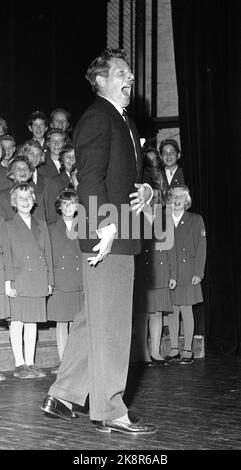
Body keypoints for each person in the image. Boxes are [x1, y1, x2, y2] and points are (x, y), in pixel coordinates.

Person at [41, 48, 156, 435]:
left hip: (119, 228)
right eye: (122, 71)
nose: (131, 78)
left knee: (96, 320)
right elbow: (89, 179)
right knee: (112, 325)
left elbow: (120, 178)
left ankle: (63, 394)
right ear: (101, 80)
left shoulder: (123, 120)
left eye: (130, 72)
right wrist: (105, 228)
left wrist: (147, 191)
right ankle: (110, 410)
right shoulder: (96, 117)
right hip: (110, 234)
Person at [4, 183, 53, 378]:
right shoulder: (7, 224)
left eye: (28, 198)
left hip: (38, 278)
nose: (25, 201)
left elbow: (47, 253)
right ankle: (19, 364)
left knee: (32, 322)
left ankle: (31, 363)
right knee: (17, 322)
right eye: (20, 198)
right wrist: (8, 281)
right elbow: (6, 254)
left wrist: (50, 280)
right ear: (14, 202)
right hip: (19, 278)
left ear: (34, 201)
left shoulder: (41, 224)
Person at [165, 185, 206, 364]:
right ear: (169, 199)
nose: (177, 199)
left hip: (189, 272)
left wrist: (198, 272)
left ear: (187, 200)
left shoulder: (196, 220)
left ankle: (188, 350)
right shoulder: (163, 221)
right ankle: (174, 349)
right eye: (174, 196)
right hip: (170, 272)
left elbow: (202, 249)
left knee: (187, 309)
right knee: (173, 310)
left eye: (181, 196)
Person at [47, 189, 84, 373]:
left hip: (79, 281)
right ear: (59, 207)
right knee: (62, 322)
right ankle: (63, 362)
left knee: (77, 323)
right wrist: (50, 281)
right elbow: (48, 256)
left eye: (72, 203)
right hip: (61, 281)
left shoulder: (84, 227)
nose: (69, 207)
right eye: (65, 204)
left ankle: (74, 362)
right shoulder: (52, 228)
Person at [43, 143, 75, 223]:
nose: (72, 159)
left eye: (75, 156)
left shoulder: (86, 180)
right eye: (68, 156)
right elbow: (51, 212)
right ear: (62, 160)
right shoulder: (54, 182)